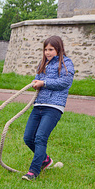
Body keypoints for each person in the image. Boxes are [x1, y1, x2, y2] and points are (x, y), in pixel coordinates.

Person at [22, 35, 74, 181]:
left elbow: (65, 82)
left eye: (51, 49)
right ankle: (45, 160)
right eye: (45, 49)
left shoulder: (66, 63)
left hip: (54, 106)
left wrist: (43, 83)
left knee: (40, 137)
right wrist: (36, 83)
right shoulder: (43, 63)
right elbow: (39, 78)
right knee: (28, 137)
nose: (47, 52)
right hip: (38, 105)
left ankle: (33, 171)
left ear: (58, 49)